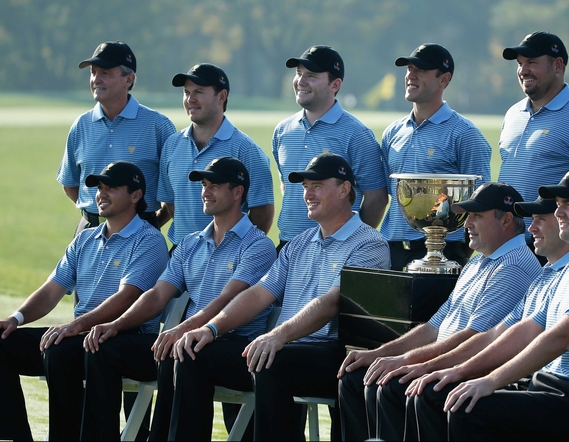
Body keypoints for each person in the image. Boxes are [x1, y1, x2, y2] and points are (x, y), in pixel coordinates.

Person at [168, 153, 390, 440]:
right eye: (305, 186)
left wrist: (278, 336)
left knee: (272, 360)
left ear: (345, 189)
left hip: (333, 355)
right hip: (284, 349)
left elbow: (334, 301)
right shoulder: (298, 244)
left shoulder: (370, 244)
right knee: (192, 353)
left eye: (318, 186)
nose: (308, 194)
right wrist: (211, 329)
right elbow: (259, 294)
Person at [413, 167, 569, 440]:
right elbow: (524, 330)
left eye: (568, 204)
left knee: (466, 407)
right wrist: (458, 372)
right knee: (436, 393)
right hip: (549, 390)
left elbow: (562, 337)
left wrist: (490, 380)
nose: (558, 213)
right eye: (557, 206)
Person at [79, 157, 276, 440]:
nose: (205, 192)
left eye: (215, 185)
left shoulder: (258, 245)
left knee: (184, 352)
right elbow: (158, 295)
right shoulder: (190, 243)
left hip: (235, 345)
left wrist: (184, 328)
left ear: (237, 193)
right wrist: (116, 325)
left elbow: (227, 299)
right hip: (189, 341)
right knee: (102, 347)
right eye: (204, 185)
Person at [338, 183, 541, 441]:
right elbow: (434, 327)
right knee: (357, 376)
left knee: (390, 386)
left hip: (470, 370)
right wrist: (381, 354)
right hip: (449, 364)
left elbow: (473, 337)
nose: (468, 223)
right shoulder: (478, 261)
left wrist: (410, 362)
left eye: (477, 216)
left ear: (507, 220)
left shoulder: (513, 267)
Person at [0, 161, 168, 441]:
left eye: (111, 188)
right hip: (81, 334)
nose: (101, 194)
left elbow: (127, 298)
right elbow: (51, 290)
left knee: (59, 349)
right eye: (99, 188)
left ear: (136, 195)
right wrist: (15, 319)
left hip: (125, 335)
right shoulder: (85, 240)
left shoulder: (149, 240)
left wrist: (76, 325)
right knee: (3, 343)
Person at [406, 196, 569, 440]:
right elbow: (504, 332)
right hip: (544, 387)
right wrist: (420, 364)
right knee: (415, 388)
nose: (532, 228)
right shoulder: (549, 273)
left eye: (542, 219)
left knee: (455, 403)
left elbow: (560, 338)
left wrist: (481, 378)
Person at [380, 43, 492, 271]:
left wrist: (461, 253)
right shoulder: (392, 133)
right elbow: (387, 195)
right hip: (393, 250)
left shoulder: (465, 134)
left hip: (445, 252)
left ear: (444, 79)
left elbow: (481, 200)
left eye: (420, 70)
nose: (411, 75)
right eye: (409, 69)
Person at [273, 45, 387, 251]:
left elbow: (376, 199)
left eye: (311, 75)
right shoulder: (282, 131)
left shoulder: (357, 134)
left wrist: (350, 240)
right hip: (287, 246)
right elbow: (286, 186)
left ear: (335, 84)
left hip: (334, 249)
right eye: (298, 74)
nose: (301, 81)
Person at [58, 41, 176, 234]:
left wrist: (151, 223)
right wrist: (98, 214)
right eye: (93, 72)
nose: (96, 79)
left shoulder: (158, 126)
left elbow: (175, 190)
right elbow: (70, 184)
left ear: (128, 79)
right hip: (89, 229)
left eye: (105, 73)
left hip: (141, 229)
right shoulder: (81, 125)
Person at [497, 31, 569, 259]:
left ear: (558, 65)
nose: (523, 70)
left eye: (532, 62)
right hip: (508, 242)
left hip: (555, 246)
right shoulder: (513, 113)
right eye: (520, 64)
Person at [160, 63, 275, 247]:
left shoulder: (246, 150)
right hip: (179, 256)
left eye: (199, 92)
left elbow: (263, 212)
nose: (190, 99)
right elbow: (171, 204)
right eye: (187, 92)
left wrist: (234, 250)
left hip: (225, 258)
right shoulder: (172, 144)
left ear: (221, 96)